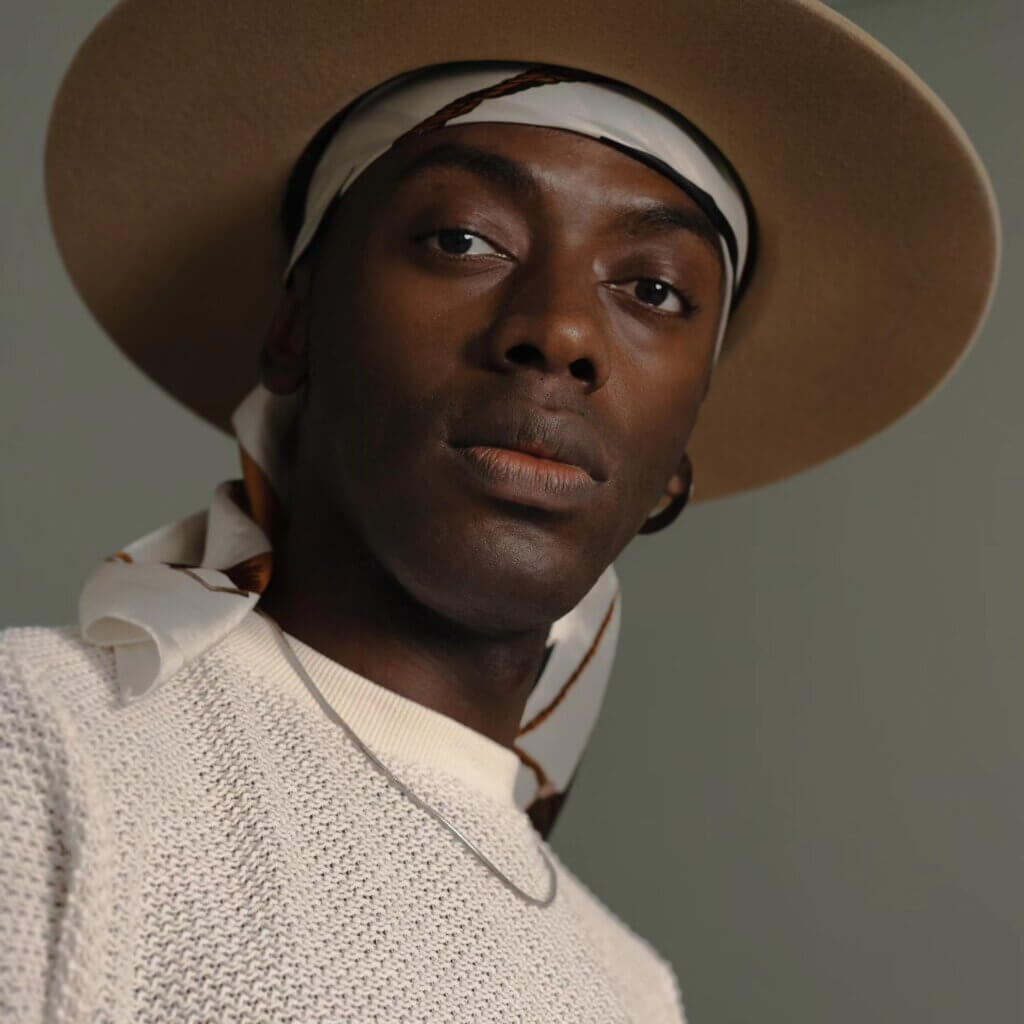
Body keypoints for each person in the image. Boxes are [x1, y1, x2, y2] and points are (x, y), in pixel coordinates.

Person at [0, 2, 999, 1021]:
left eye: (653, 290)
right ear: (298, 324)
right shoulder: (42, 746)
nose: (561, 331)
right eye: (463, 238)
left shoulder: (632, 987)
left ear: (679, 446)